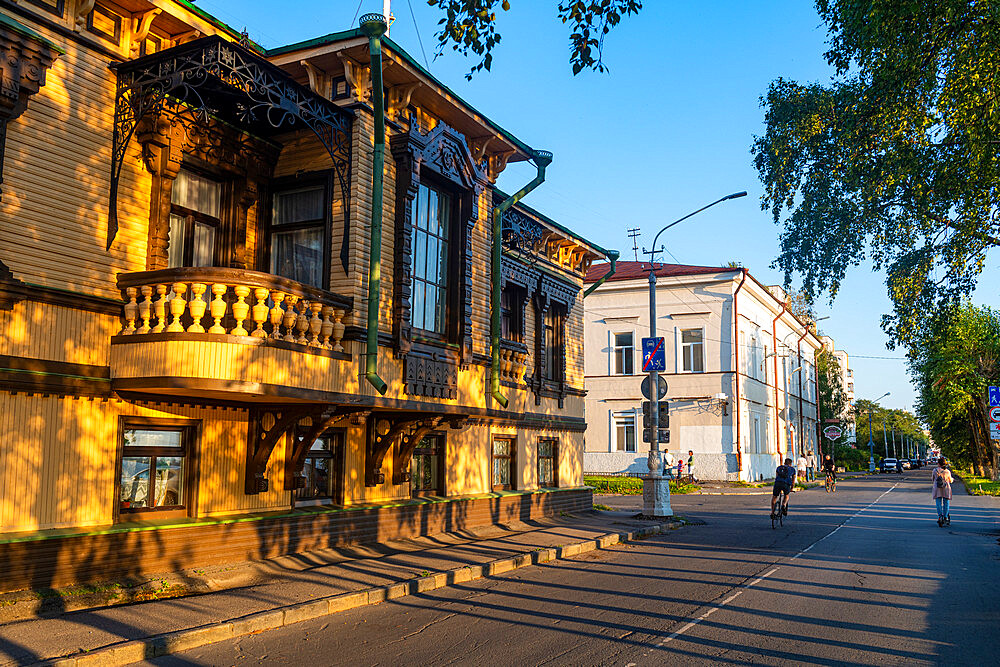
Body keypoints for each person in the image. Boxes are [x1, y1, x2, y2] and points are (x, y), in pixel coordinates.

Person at [931, 457, 953, 526]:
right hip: (946, 488)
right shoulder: (947, 471)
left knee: (938, 502)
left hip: (937, 488)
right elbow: (950, 480)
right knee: (946, 502)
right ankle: (946, 516)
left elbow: (932, 479)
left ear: (939, 464)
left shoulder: (935, 470)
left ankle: (940, 516)